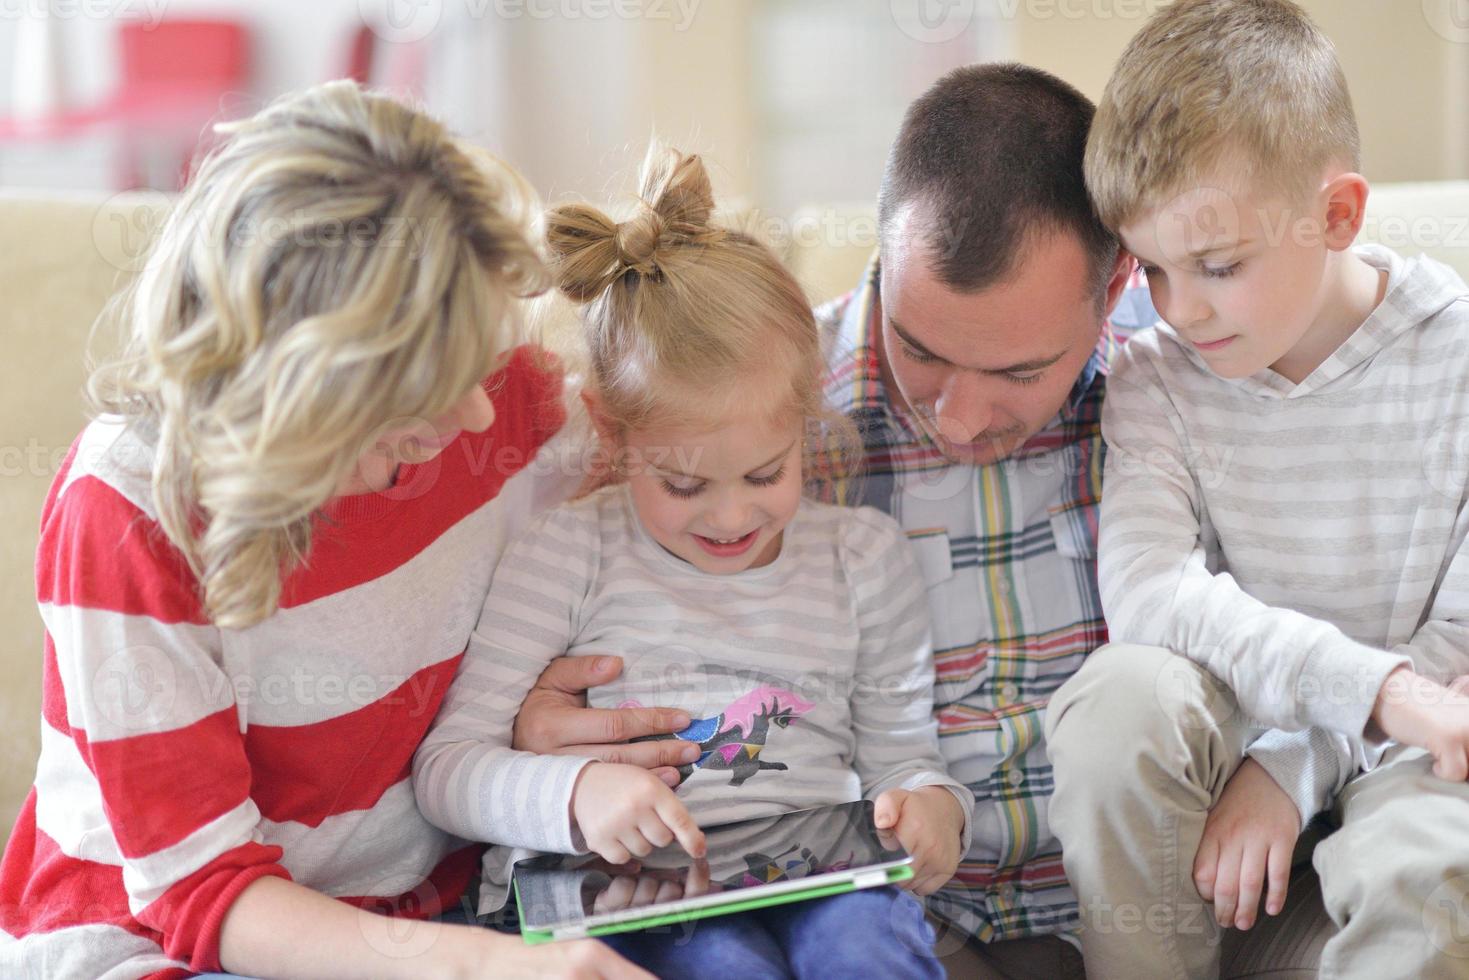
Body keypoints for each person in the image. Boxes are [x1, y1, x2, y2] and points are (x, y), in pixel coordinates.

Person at [510, 64, 1155, 977]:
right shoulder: (746, 404)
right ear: (885, 255)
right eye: (922, 350)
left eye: (1019, 374)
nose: (960, 419)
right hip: (892, 912)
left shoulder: (1175, 401)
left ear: (1114, 282)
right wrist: (538, 745)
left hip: (1133, 913)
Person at [0, 81, 649, 980]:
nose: (468, 414)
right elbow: (204, 894)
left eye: (471, 364)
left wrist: (535, 709)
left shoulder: (498, 400)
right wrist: (487, 969)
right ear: (296, 384)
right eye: (415, 391)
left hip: (440, 905)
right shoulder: (128, 509)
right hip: (162, 942)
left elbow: (697, 497)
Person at [412, 144, 974, 978]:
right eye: (682, 484)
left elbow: (902, 755)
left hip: (817, 873)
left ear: (804, 424)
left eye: (765, 473)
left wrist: (933, 809)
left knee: (869, 948)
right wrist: (576, 796)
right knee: (724, 962)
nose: (731, 514)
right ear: (610, 431)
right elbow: (447, 771)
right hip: (621, 890)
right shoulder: (569, 551)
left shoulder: (861, 556)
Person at [1045, 1, 1469, 976]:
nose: (1179, 307)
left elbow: (1451, 662)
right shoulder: (1152, 376)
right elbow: (1147, 594)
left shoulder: (1452, 359)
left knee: (1428, 848)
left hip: (1416, 735)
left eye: (1217, 265)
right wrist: (1367, 696)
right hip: (1249, 717)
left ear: (1334, 216)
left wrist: (1292, 761)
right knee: (1115, 704)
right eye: (1149, 267)